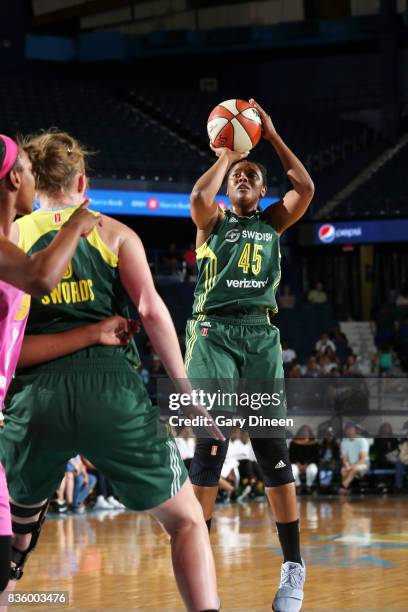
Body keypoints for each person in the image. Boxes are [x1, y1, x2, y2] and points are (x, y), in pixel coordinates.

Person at [1, 130, 222, 612]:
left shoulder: (12, 238)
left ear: (33, 183)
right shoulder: (114, 233)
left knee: (13, 544)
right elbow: (154, 313)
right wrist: (188, 396)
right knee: (186, 521)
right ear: (82, 180)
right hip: (111, 391)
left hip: (34, 396)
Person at [186, 99, 314, 611]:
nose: (242, 177)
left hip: (260, 338)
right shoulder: (211, 222)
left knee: (270, 451)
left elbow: (304, 188)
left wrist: (273, 136)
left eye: (251, 175)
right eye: (237, 175)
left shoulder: (274, 223)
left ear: (263, 193)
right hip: (213, 333)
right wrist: (228, 150)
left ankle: (293, 565)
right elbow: (199, 194)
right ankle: (200, 564)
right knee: (210, 445)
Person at [0, 134, 117, 593]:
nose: (35, 177)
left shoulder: (13, 243)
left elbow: (16, 352)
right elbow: (42, 277)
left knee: (6, 569)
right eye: (29, 170)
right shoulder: (17, 257)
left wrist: (90, 333)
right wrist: (76, 223)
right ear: (15, 178)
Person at [340, 423, 370, 493]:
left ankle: (343, 486)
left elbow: (362, 460)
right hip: (350, 464)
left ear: (355, 430)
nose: (349, 431)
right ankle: (345, 490)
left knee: (355, 468)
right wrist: (347, 465)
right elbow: (345, 459)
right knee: (343, 470)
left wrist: (350, 467)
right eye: (347, 430)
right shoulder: (344, 442)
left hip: (364, 464)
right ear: (345, 431)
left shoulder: (362, 441)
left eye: (351, 429)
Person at [289, 426, 319, 494]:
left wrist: (307, 464)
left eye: (306, 432)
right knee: (292, 469)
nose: (305, 434)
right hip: (296, 464)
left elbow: (315, 456)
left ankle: (309, 486)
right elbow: (291, 456)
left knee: (313, 469)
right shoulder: (293, 443)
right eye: (303, 432)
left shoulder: (314, 443)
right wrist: (297, 464)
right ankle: (298, 485)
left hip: (309, 464)